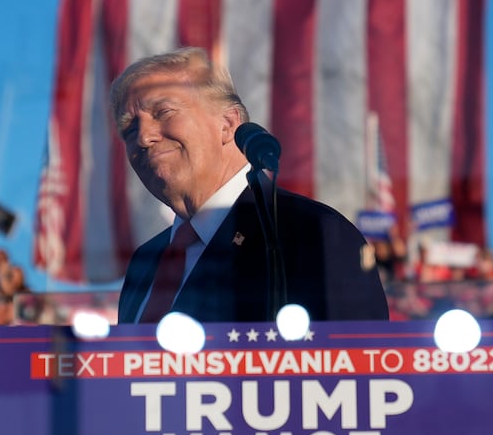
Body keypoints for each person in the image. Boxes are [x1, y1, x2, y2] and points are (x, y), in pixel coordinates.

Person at [112, 47, 388, 324]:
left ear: (228, 124)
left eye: (163, 112)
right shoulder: (145, 261)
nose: (144, 137)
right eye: (130, 130)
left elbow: (355, 359)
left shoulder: (312, 234)